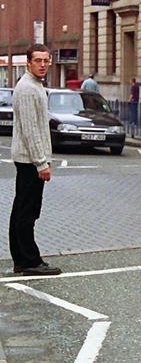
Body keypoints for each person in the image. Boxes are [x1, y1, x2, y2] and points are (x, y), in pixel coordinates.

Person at [8, 44, 61, 276]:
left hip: (27, 159)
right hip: (30, 160)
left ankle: (22, 258)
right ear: (29, 62)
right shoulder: (29, 88)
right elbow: (31, 130)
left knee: (21, 209)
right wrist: (42, 162)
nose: (42, 65)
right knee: (28, 211)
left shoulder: (33, 85)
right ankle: (30, 261)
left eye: (46, 60)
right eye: (38, 60)